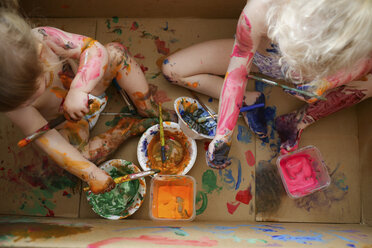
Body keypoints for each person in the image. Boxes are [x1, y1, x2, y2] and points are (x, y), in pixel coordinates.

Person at [162, 0, 372, 169]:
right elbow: (237, 74)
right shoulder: (262, 9)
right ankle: (247, 101)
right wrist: (222, 134)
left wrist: (325, 82)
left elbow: (365, 64)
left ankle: (299, 120)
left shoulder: (362, 21)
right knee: (173, 70)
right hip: (262, 62)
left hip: (320, 76)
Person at [0, 3, 175, 194]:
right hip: (70, 124)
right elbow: (48, 139)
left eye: (27, 97)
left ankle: (147, 107)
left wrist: (78, 90)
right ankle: (127, 128)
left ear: (39, 53)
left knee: (116, 54)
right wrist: (90, 173)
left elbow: (94, 49)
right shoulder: (14, 106)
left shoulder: (43, 38)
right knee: (83, 158)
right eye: (20, 103)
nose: (25, 104)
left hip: (90, 88)